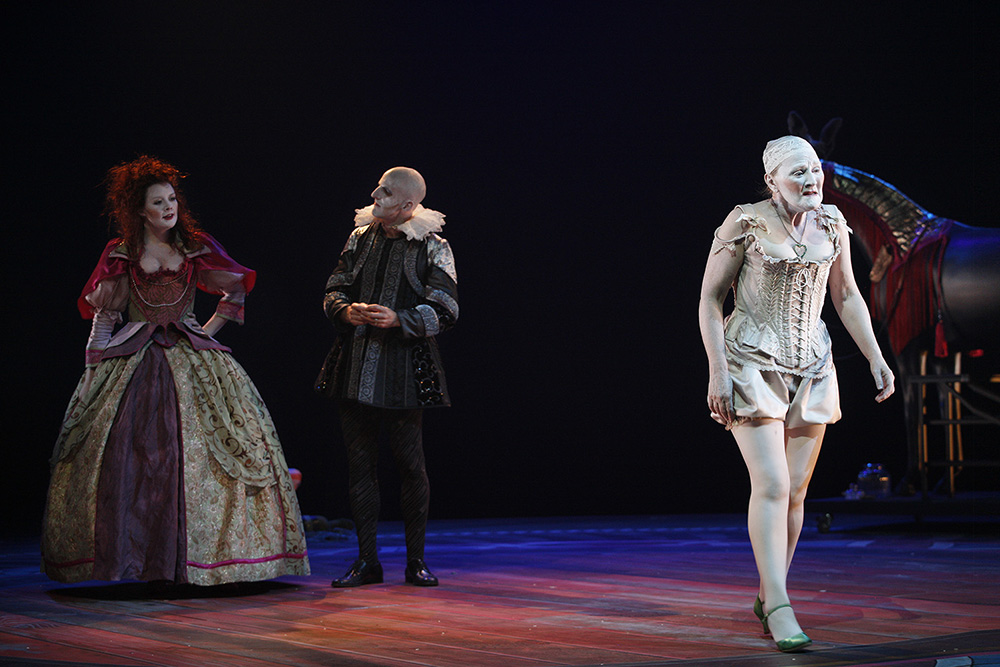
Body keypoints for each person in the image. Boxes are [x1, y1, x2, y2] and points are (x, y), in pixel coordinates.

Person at [42, 156, 309, 586]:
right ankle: (136, 559)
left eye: (172, 200)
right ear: (140, 212)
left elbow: (233, 292)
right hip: (134, 356)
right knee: (132, 456)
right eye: (158, 203)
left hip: (191, 353)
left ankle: (203, 558)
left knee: (210, 451)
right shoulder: (122, 255)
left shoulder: (193, 248)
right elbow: (104, 320)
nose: (168, 209)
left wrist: (202, 331)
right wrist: (92, 372)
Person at [698, 136, 895, 652]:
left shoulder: (831, 222)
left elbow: (848, 294)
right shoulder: (744, 221)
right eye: (797, 174)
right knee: (771, 484)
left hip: (813, 362)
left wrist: (875, 357)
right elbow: (710, 300)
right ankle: (782, 606)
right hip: (750, 362)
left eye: (815, 171)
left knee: (797, 492)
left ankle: (769, 594)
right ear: (771, 180)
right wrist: (718, 370)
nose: (811, 182)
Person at [316, 166, 458, 588]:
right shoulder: (360, 238)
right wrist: (345, 310)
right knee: (360, 466)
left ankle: (416, 561)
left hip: (405, 369)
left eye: (387, 191)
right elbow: (333, 289)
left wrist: (400, 318)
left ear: (408, 205)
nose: (375, 194)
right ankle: (366, 562)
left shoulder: (433, 246)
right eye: (378, 187)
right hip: (356, 363)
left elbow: (448, 308)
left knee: (410, 465)